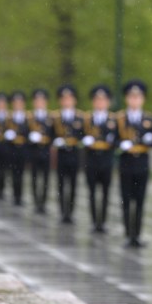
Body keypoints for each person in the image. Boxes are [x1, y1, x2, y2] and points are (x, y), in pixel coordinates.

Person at [117, 80, 152, 247]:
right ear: (127, 99)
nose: (135, 100)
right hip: (126, 162)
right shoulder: (119, 118)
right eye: (132, 97)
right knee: (126, 199)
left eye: (138, 97)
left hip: (142, 162)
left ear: (143, 99)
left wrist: (151, 139)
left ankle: (137, 234)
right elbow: (112, 138)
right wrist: (120, 143)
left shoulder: (148, 118)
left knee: (140, 200)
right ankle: (128, 233)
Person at [82, 84, 118, 233]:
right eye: (97, 100)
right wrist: (85, 139)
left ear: (108, 102)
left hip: (106, 159)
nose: (100, 103)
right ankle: (93, 221)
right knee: (91, 191)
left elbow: (118, 137)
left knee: (105, 192)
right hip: (91, 158)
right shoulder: (87, 118)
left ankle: (102, 221)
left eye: (103, 100)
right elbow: (79, 133)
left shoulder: (114, 119)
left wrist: (112, 140)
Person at [52, 85, 83, 224]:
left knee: (73, 184)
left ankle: (70, 212)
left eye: (69, 99)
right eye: (64, 99)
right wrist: (55, 141)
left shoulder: (81, 117)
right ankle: (62, 212)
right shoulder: (56, 117)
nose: (67, 102)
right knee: (60, 184)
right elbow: (50, 133)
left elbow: (83, 134)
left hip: (74, 153)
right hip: (61, 153)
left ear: (74, 100)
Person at [27, 89, 53, 214]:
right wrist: (30, 137)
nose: (39, 103)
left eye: (42, 101)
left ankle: (43, 203)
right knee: (34, 178)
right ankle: (36, 202)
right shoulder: (30, 117)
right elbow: (23, 132)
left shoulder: (51, 117)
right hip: (34, 151)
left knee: (46, 179)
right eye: (37, 101)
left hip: (46, 151)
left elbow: (54, 134)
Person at [5, 91, 30, 206]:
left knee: (21, 174)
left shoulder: (28, 118)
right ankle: (15, 195)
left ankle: (20, 196)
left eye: (20, 102)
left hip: (23, 149)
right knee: (13, 173)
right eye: (16, 103)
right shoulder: (9, 118)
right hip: (12, 149)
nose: (18, 105)